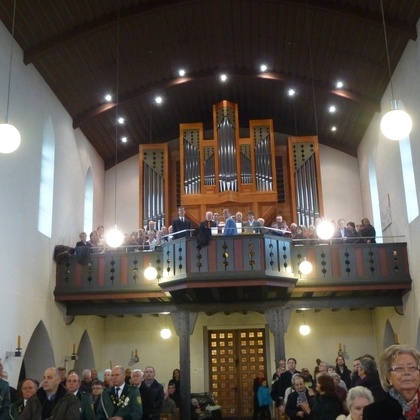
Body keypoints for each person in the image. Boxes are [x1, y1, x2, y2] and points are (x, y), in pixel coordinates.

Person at [363, 344, 420, 419]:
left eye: (412, 367)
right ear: (388, 377)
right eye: (399, 368)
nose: (407, 372)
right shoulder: (374, 412)